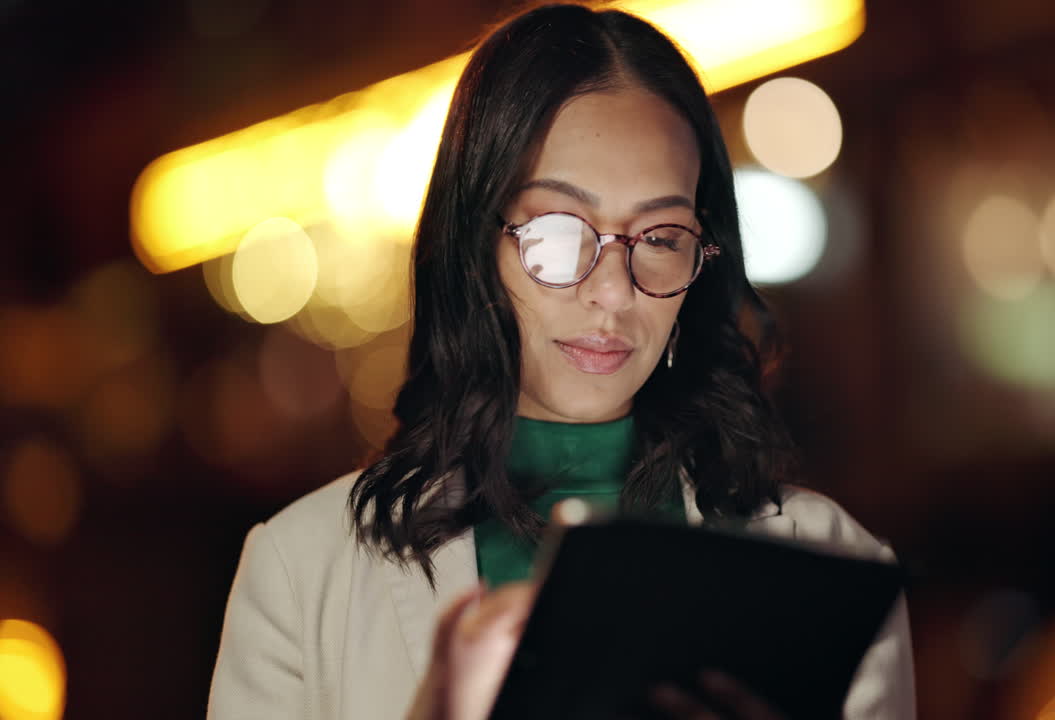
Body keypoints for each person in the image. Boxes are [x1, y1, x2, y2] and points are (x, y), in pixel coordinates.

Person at [207, 3, 916, 719]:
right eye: (554, 232)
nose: (612, 292)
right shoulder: (300, 572)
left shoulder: (833, 569)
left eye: (662, 236)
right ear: (475, 247)